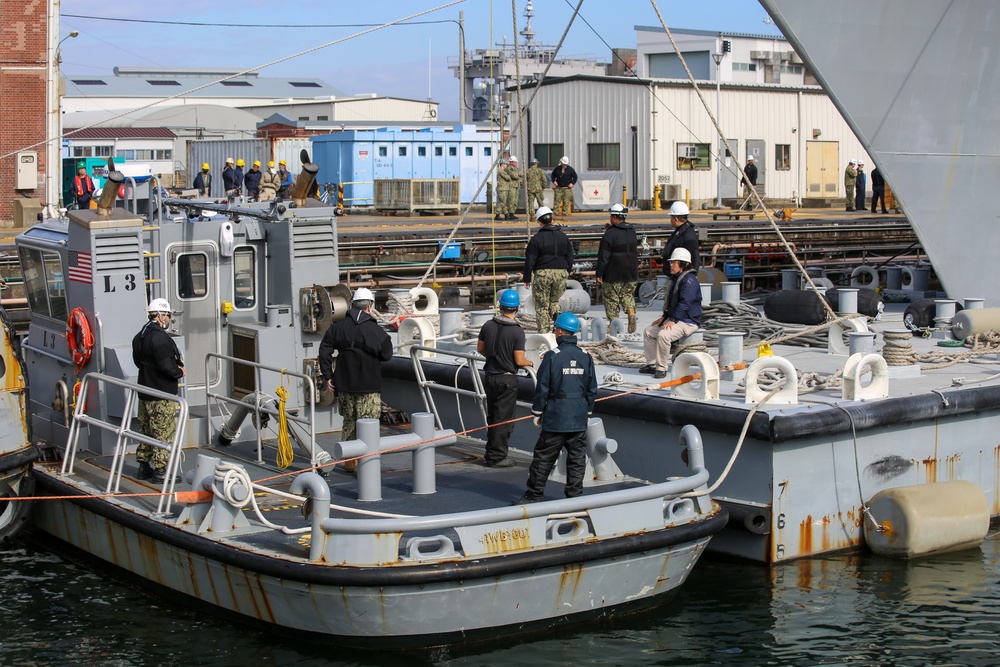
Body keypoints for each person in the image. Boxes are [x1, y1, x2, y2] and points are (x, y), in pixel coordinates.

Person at [515, 312, 597, 504]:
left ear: (559, 331)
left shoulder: (552, 356)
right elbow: (592, 388)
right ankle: (574, 497)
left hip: (556, 417)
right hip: (578, 417)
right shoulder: (586, 357)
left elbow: (543, 387)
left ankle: (534, 495)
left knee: (544, 458)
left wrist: (537, 411)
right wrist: (588, 412)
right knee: (577, 459)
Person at [318, 287, 393, 473]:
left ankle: (350, 463)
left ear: (352, 305)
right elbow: (387, 354)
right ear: (369, 306)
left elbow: (324, 349)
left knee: (349, 423)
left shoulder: (338, 327)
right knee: (368, 425)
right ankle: (368, 466)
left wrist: (328, 375)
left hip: (344, 384)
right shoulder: (375, 330)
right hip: (368, 386)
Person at [477, 289, 533, 468]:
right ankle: (497, 457)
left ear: (500, 306)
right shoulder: (517, 331)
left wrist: (494, 357)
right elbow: (519, 360)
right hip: (507, 380)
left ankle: (491, 452)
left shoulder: (488, 325)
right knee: (504, 420)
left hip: (490, 376)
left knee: (493, 416)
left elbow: (480, 349)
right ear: (517, 308)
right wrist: (530, 363)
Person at [132, 298, 185, 484]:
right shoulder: (160, 338)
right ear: (162, 315)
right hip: (160, 394)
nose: (169, 319)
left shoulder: (140, 335)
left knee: (146, 431)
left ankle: (143, 467)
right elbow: (166, 366)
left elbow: (138, 362)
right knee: (163, 432)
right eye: (168, 315)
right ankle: (161, 471)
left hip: (144, 392)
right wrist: (178, 371)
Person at [641, 247, 702, 379]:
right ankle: (651, 364)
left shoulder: (689, 281)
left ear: (682, 264)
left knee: (664, 335)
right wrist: (664, 317)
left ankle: (662, 368)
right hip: (677, 318)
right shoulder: (677, 279)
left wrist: (673, 320)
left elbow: (685, 304)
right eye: (671, 262)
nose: (671, 265)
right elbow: (672, 303)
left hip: (688, 321)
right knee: (649, 331)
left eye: (674, 262)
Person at [523, 205, 574, 333]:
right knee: (554, 301)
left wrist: (527, 278)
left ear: (540, 222)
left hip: (543, 273)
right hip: (561, 273)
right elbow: (570, 255)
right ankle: (559, 324)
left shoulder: (537, 239)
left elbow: (530, 260)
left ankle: (544, 333)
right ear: (552, 220)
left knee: (541, 305)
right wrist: (569, 269)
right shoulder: (564, 237)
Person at [596, 203, 639, 333]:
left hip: (613, 272)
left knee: (611, 298)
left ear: (614, 217)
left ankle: (614, 324)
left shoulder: (609, 234)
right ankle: (631, 312)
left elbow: (603, 256)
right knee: (627, 294)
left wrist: (599, 273)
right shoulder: (632, 231)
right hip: (631, 271)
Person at [661, 200, 701, 271]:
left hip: (681, 276)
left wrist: (690, 276)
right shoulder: (680, 231)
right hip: (676, 275)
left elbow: (694, 258)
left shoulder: (688, 236)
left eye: (671, 217)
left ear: (676, 219)